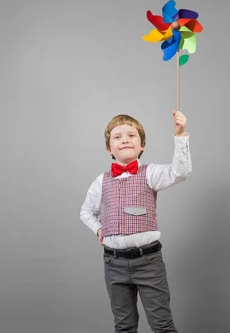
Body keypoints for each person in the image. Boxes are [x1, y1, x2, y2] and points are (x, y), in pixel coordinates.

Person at [80, 110, 192, 333]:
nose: (125, 140)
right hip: (114, 264)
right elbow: (86, 211)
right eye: (118, 136)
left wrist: (180, 136)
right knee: (124, 326)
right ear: (108, 148)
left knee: (162, 324)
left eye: (131, 135)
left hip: (148, 261)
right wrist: (98, 228)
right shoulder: (101, 181)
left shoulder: (150, 173)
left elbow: (181, 172)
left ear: (142, 145)